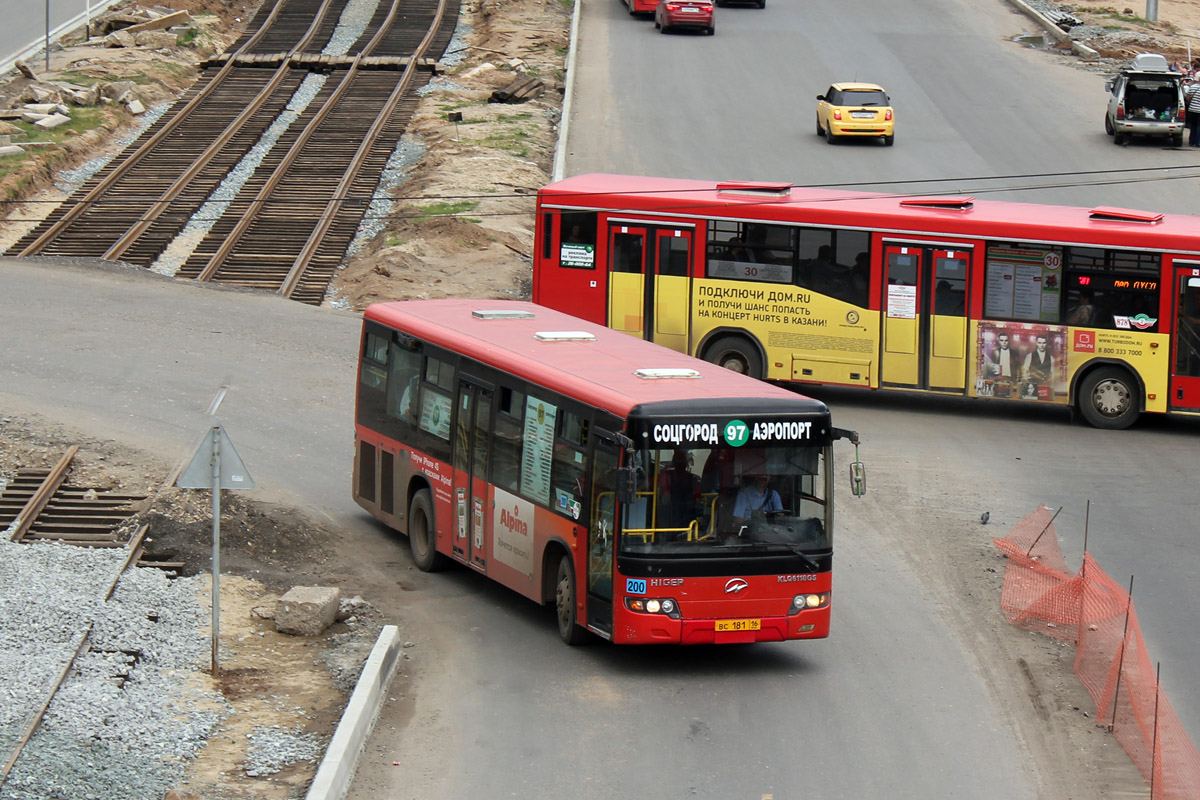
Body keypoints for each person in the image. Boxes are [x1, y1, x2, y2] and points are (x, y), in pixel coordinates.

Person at [658, 448, 700, 531]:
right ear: (686, 464)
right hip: (687, 514)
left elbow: (649, 484)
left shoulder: (666, 476)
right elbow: (698, 498)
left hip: (673, 516)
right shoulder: (694, 479)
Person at [1187, 80, 1200, 147]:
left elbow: (1188, 98)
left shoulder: (1192, 87)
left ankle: (1191, 141)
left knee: (1193, 126)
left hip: (1192, 109)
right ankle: (1198, 143)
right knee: (1199, 126)